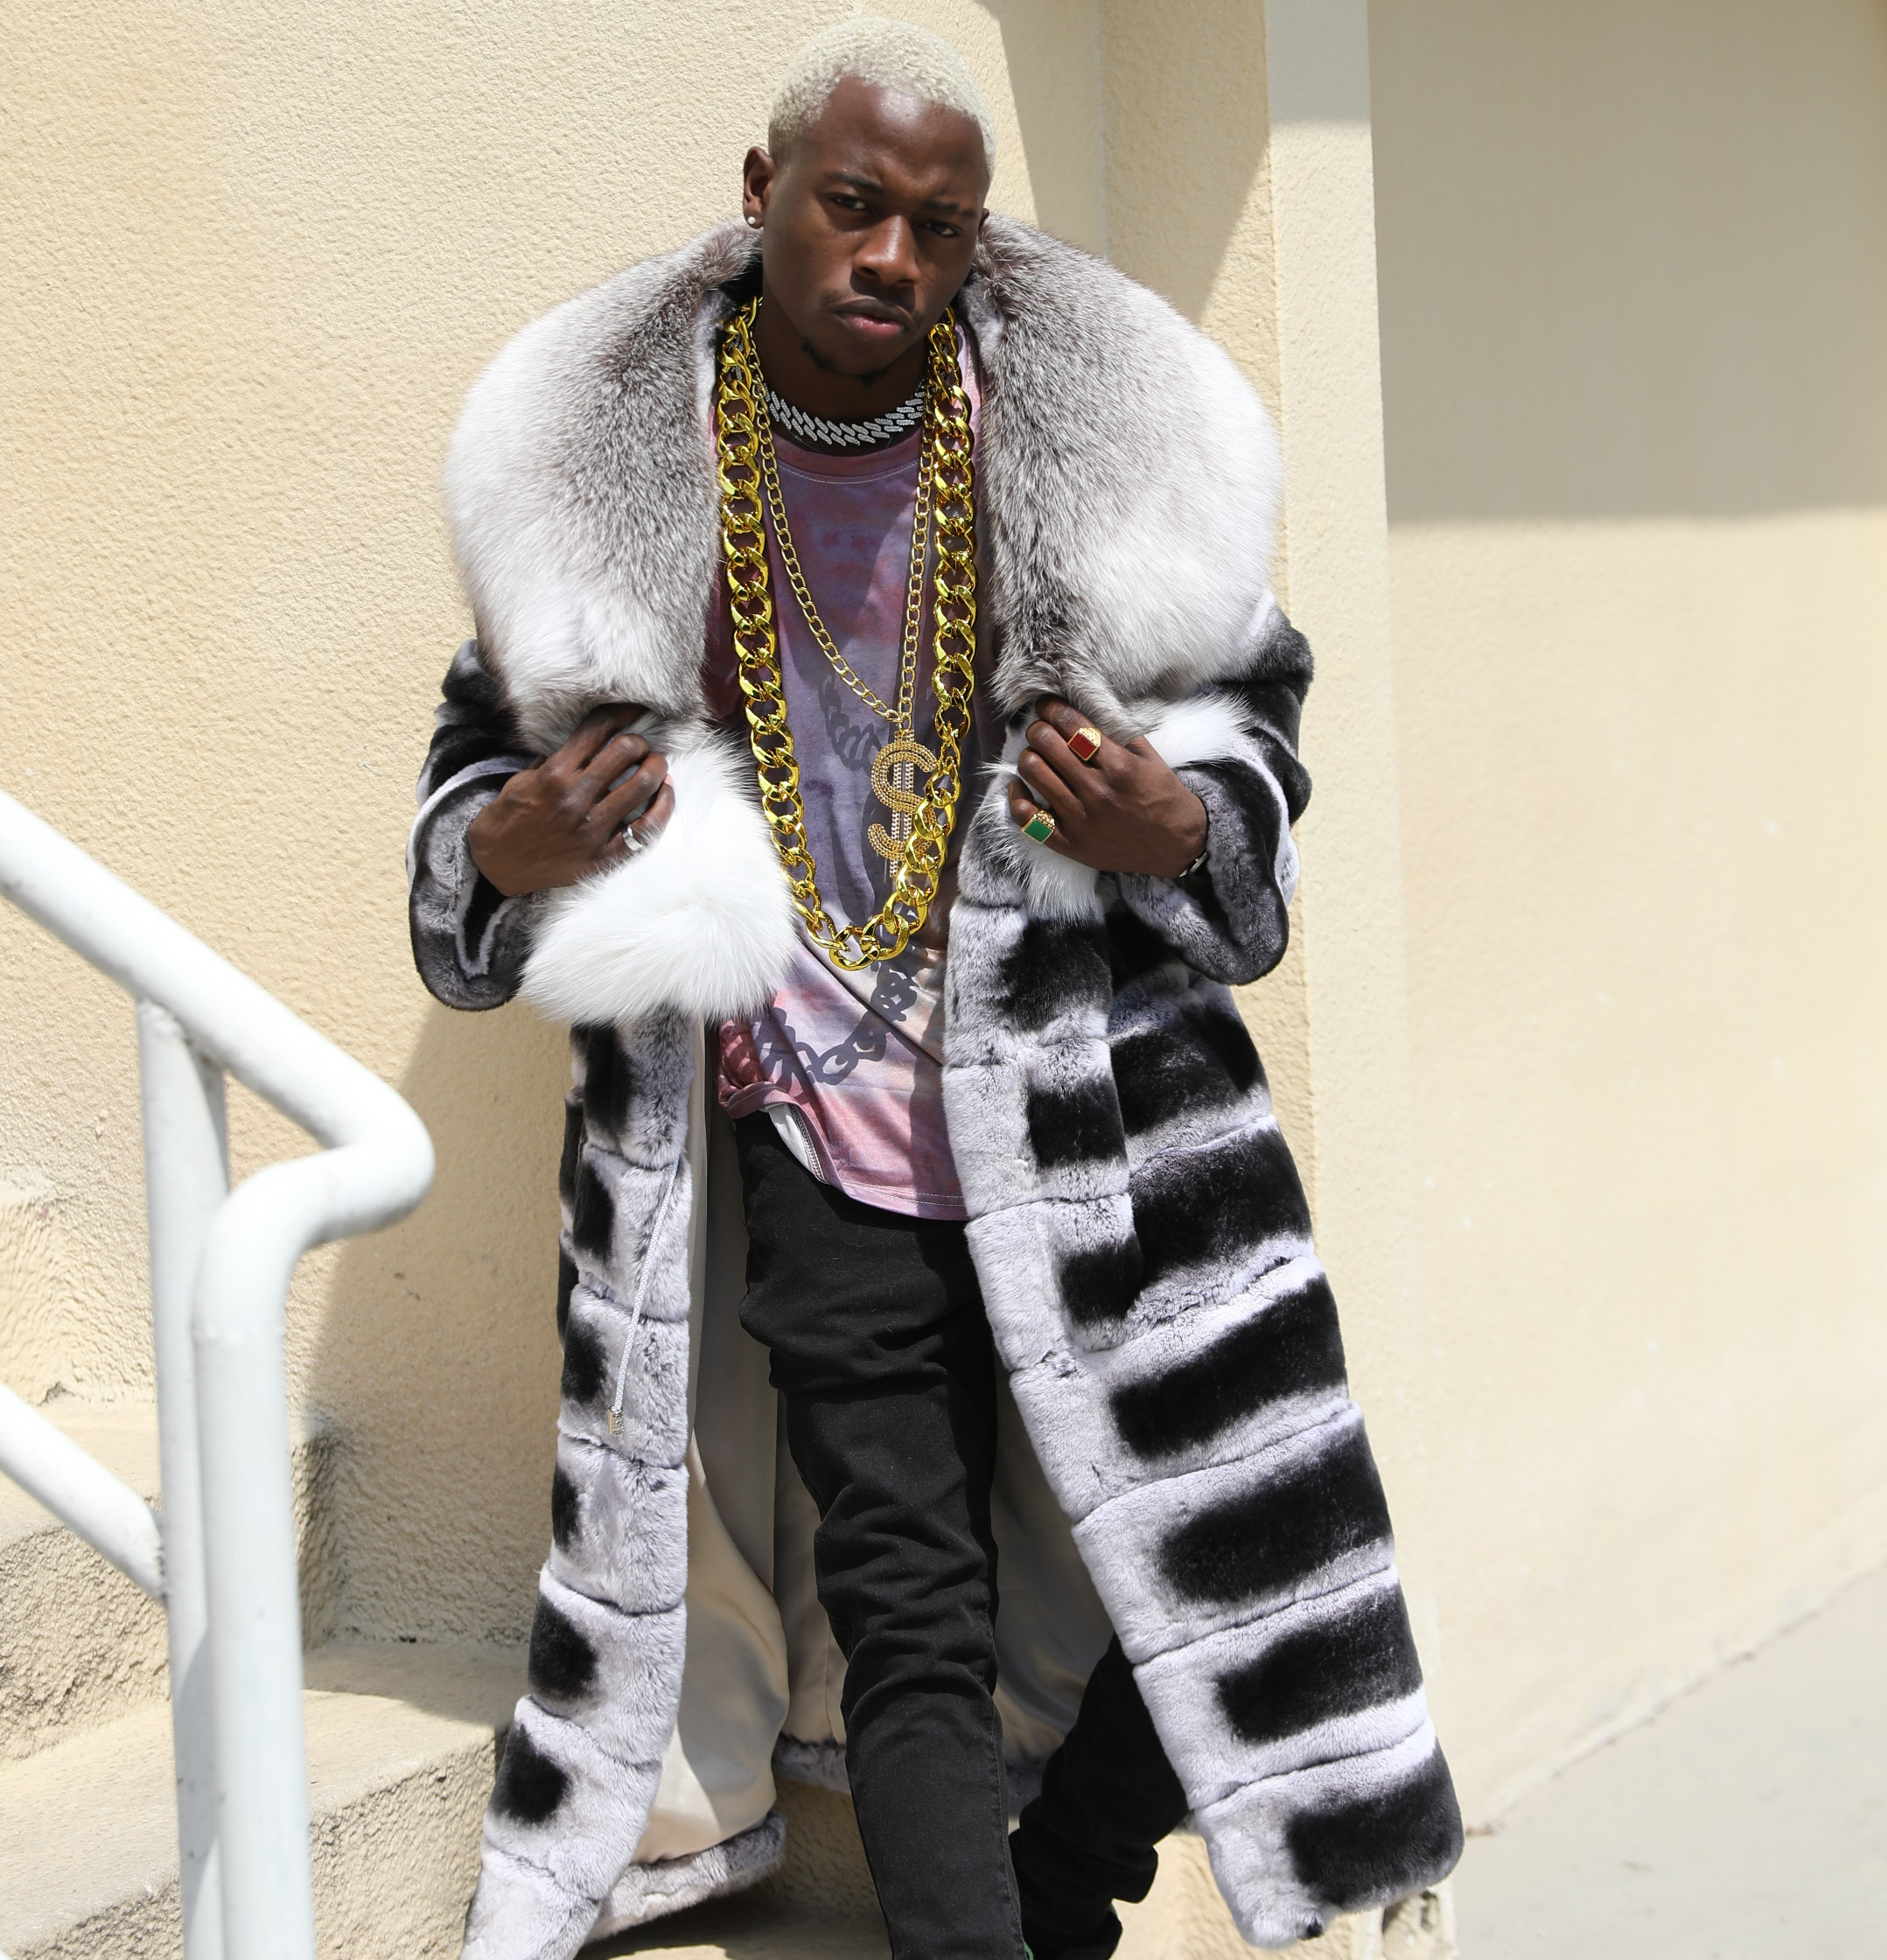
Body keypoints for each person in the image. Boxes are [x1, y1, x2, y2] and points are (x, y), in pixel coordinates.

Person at [409, 21, 1461, 1960]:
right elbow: (487, 757)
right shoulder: (609, 467)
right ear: (765, 194)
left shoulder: (1101, 438)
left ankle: (1056, 1894)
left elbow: (1254, 709)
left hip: (1096, 1099)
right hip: (802, 1105)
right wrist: (502, 852)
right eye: (853, 204)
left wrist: (1181, 822)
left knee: (1231, 1555)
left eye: (941, 225)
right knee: (908, 1601)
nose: (893, 255)